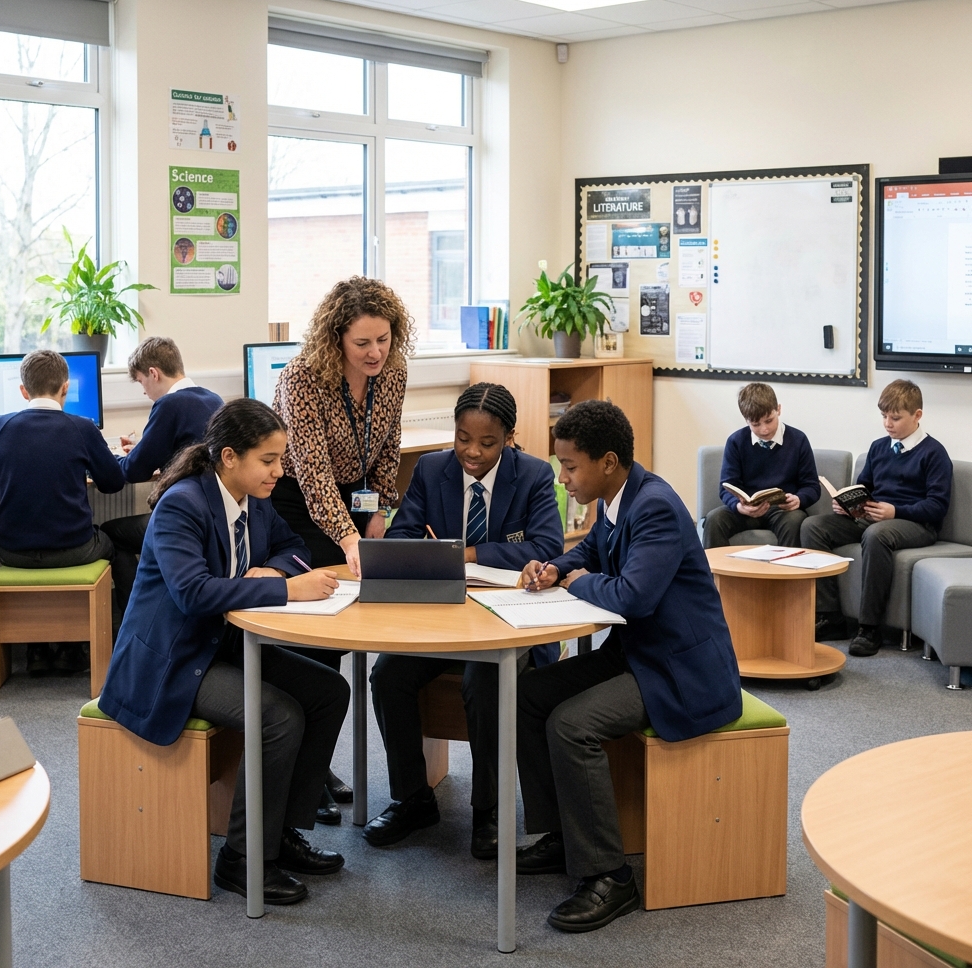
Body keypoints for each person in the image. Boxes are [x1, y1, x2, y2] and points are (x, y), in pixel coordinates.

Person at [98, 399, 351, 906]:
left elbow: (294, 547)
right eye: (269, 460)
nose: (280, 472)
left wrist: (276, 571)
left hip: (221, 644)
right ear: (229, 456)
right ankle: (242, 857)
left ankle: (280, 833)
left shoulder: (253, 498)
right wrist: (286, 590)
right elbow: (192, 593)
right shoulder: (182, 504)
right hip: (172, 659)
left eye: (282, 459)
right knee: (278, 715)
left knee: (329, 690)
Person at [515, 400, 741, 934]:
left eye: (570, 467)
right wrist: (554, 568)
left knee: (571, 725)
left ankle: (611, 877)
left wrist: (575, 582)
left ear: (608, 461)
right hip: (639, 654)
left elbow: (633, 597)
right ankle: (563, 837)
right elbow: (590, 551)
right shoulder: (617, 499)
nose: (562, 478)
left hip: (680, 671)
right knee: (528, 695)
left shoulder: (655, 506)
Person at [365, 383, 565, 858]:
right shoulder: (433, 468)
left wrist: (467, 553)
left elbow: (546, 547)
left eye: (487, 443)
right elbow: (403, 536)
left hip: (511, 625)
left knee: (485, 680)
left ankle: (488, 810)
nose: (471, 452)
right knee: (387, 674)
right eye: (462, 439)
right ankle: (413, 798)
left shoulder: (535, 475)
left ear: (509, 438)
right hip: (442, 619)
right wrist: (429, 552)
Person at [271, 275, 413, 822]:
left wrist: (377, 509)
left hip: (354, 502)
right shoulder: (301, 379)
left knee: (354, 618)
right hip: (297, 504)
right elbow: (311, 475)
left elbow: (388, 445)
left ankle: (316, 765)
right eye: (363, 343)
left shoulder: (393, 373)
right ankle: (309, 771)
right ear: (336, 341)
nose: (376, 352)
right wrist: (348, 537)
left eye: (384, 339)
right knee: (320, 636)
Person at [0, 349, 126, 677]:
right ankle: (106, 642)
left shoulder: (1, 425)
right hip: (74, 550)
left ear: (23, 391)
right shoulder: (81, 427)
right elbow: (113, 482)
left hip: (13, 553)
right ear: (65, 388)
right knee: (115, 544)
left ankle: (37, 650)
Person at [800, 379, 952, 657]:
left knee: (876, 534)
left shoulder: (934, 453)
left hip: (916, 524)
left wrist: (895, 511)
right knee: (813, 527)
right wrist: (848, 504)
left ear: (917, 415)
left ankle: (869, 628)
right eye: (884, 416)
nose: (887, 424)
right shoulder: (879, 447)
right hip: (872, 518)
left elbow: (937, 506)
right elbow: (864, 487)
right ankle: (831, 617)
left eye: (895, 418)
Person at [101, 337, 224, 618]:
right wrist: (142, 452)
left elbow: (134, 471)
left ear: (154, 373)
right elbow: (185, 450)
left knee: (111, 533)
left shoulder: (169, 404)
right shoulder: (212, 397)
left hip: (186, 519)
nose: (144, 391)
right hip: (214, 513)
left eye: (142, 381)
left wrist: (117, 457)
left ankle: (136, 617)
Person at [702, 382, 820, 549]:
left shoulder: (798, 439)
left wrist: (799, 499)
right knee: (714, 519)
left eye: (769, 421)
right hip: (746, 510)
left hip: (782, 511)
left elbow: (812, 486)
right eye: (756, 424)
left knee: (794, 520)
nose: (764, 430)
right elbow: (726, 487)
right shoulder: (736, 441)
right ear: (746, 420)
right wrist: (739, 507)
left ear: (778, 409)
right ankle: (714, 575)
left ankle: (786, 574)